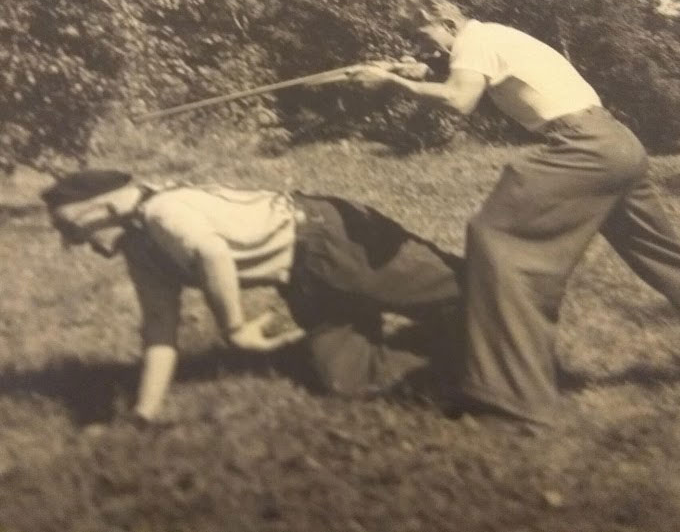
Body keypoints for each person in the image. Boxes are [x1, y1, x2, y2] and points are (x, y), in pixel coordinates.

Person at [343, 0, 680, 425]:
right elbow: (484, 77)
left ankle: (510, 399)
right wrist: (417, 70)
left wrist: (393, 83)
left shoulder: (472, 40)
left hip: (583, 148)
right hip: (618, 143)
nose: (420, 44)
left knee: (496, 239)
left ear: (446, 20)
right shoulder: (493, 36)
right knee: (666, 259)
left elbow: (459, 100)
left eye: (421, 34)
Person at [40, 170, 464, 425]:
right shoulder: (142, 250)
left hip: (330, 240)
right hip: (302, 277)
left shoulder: (163, 212)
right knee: (348, 383)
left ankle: (515, 317)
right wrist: (144, 413)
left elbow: (213, 254)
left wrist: (236, 329)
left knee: (463, 292)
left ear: (101, 209)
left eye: (73, 230)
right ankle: (455, 359)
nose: (78, 244)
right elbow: (159, 328)